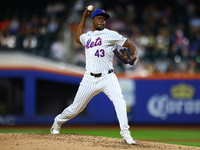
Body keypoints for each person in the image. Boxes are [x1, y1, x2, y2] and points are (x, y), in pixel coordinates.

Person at [50, 6, 137, 145]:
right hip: (89, 78)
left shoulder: (111, 34)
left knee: (119, 100)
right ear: (93, 20)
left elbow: (130, 44)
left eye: (104, 19)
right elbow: (78, 37)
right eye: (99, 18)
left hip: (107, 77)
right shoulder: (88, 36)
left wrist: (134, 55)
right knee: (76, 108)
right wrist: (83, 17)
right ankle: (57, 122)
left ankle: (126, 134)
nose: (102, 21)